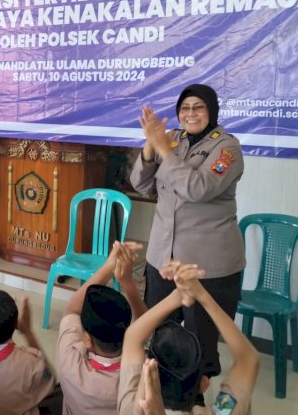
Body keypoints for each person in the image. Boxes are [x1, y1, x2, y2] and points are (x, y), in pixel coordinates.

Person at [130, 84, 245, 381]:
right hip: (163, 260)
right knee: (161, 336)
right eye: (185, 108)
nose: (190, 114)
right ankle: (162, 397)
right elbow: (140, 184)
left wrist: (163, 151)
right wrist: (149, 146)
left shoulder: (227, 148)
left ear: (212, 111)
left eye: (198, 107)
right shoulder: (172, 140)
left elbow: (199, 188)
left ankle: (196, 402)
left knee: (201, 345)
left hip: (205, 267)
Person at [119, 261, 259, 414]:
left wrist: (176, 296)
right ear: (204, 383)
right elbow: (248, 360)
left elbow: (132, 337)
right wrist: (202, 295)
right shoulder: (222, 411)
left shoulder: (131, 407)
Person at [56, 241, 146, 415]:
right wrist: (128, 282)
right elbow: (143, 327)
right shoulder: (138, 376)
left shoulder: (70, 361)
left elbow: (72, 309)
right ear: (127, 334)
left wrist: (108, 267)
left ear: (88, 340)